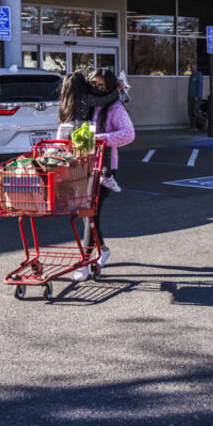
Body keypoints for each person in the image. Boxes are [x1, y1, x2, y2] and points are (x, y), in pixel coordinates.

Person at [77, 67, 135, 275]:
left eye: (101, 85)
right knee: (87, 215)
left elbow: (128, 134)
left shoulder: (114, 108)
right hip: (84, 165)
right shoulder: (89, 105)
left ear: (109, 88)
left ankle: (85, 264)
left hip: (105, 168)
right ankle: (103, 250)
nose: (95, 88)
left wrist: (101, 139)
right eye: (93, 83)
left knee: (91, 213)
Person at [58, 70, 122, 191]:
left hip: (63, 132)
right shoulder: (85, 98)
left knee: (70, 160)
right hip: (80, 129)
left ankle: (65, 180)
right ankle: (106, 176)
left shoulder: (65, 102)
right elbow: (103, 100)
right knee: (105, 144)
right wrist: (117, 91)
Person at [186, 62, 205, 130]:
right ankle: (193, 126)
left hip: (196, 97)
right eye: (191, 68)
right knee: (190, 112)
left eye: (193, 68)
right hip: (190, 96)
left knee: (195, 112)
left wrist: (197, 95)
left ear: (196, 68)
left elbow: (200, 86)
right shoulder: (191, 76)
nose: (191, 69)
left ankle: (204, 121)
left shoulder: (199, 75)